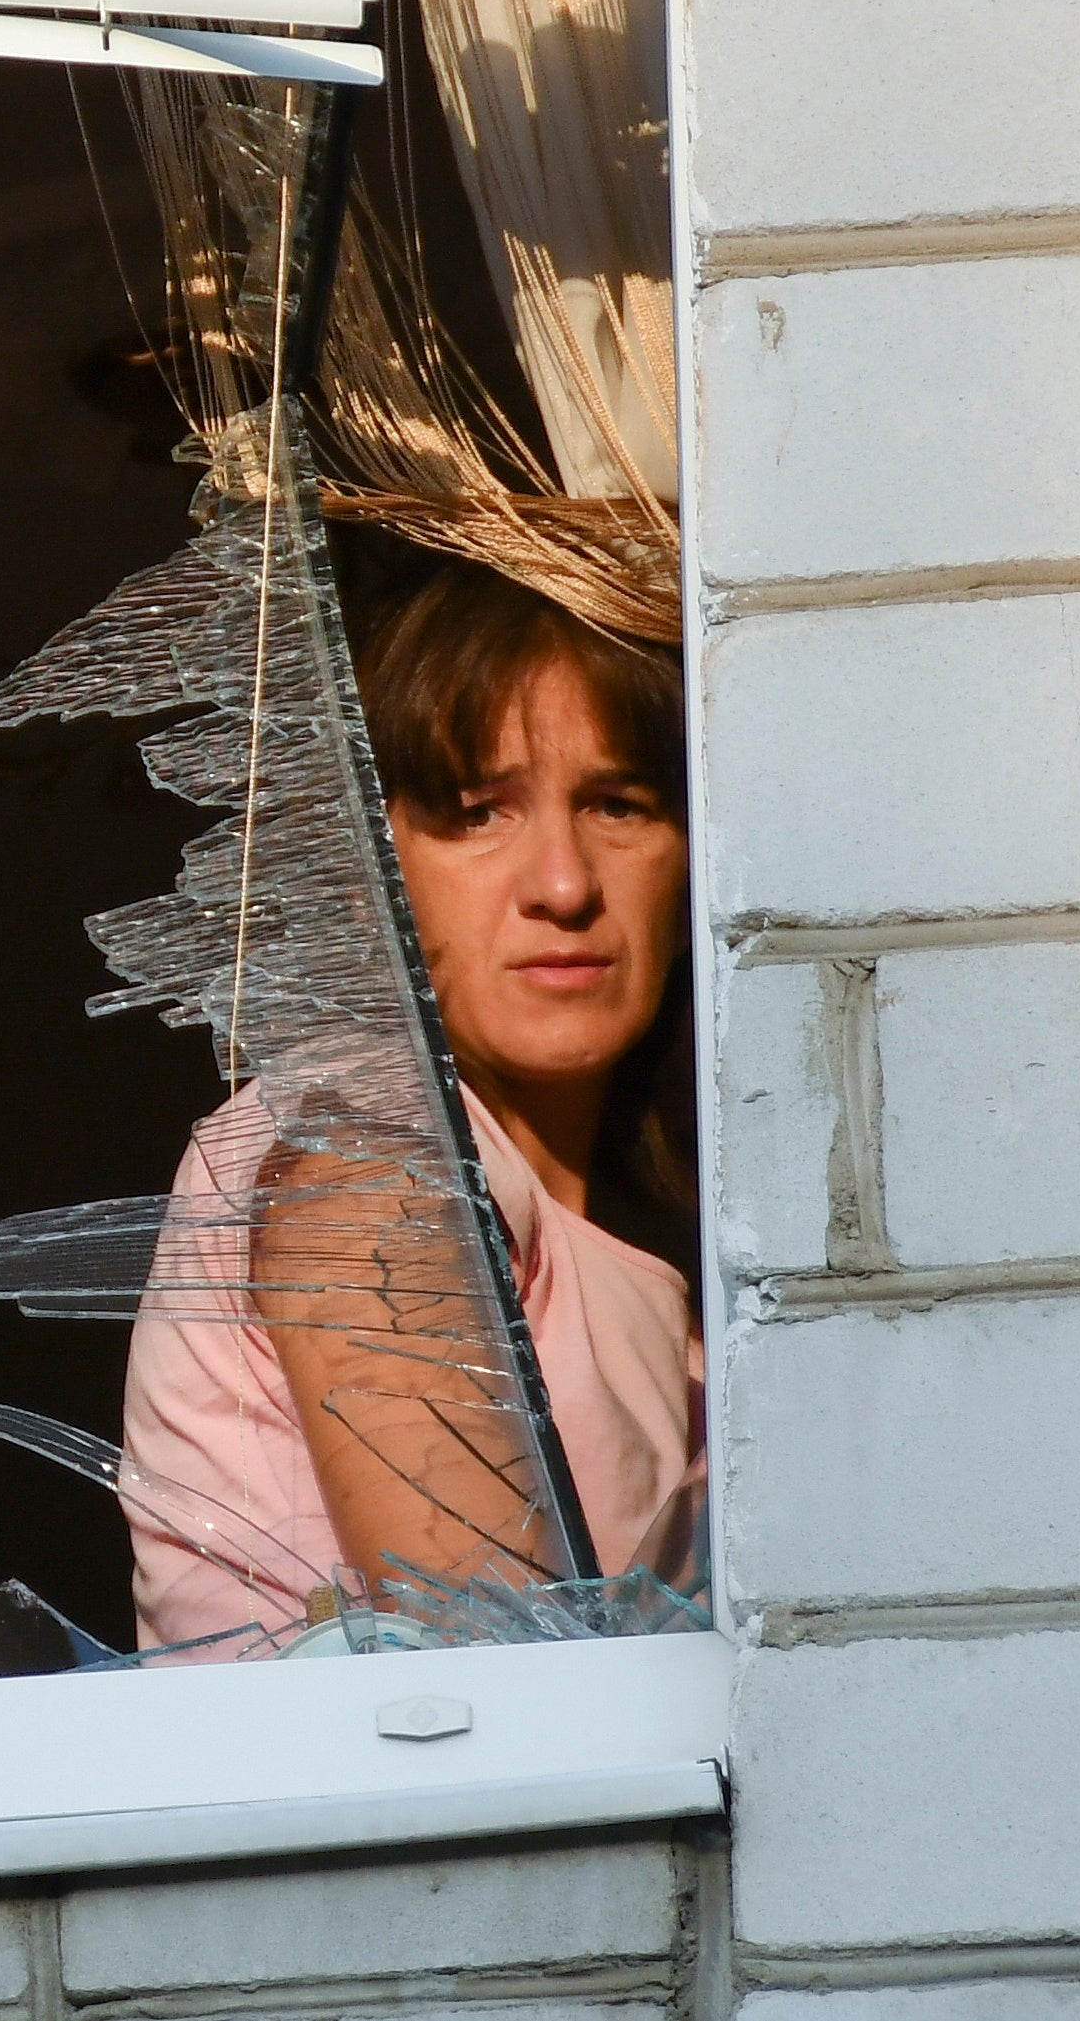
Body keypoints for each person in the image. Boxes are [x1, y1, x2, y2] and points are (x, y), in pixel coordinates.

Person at [118, 556, 704, 1650]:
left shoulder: (649, 1256)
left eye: (617, 804)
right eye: (480, 813)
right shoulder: (370, 1154)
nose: (564, 886)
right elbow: (495, 1694)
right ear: (373, 867)